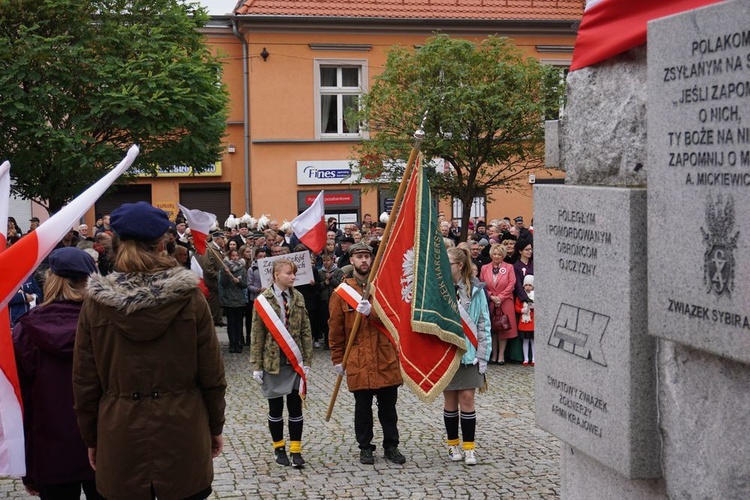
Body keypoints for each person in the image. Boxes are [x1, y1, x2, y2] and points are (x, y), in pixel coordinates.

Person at [73, 201, 226, 500]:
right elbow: (212, 373)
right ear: (162, 243)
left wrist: (91, 438)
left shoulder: (96, 303)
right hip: (182, 428)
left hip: (119, 432)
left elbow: (84, 382)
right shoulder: (190, 298)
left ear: (115, 244)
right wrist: (214, 425)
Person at [13, 247, 100, 499]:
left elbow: (20, 401)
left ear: (51, 280)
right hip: (104, 441)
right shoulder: (109, 324)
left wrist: (27, 465)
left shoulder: (25, 329)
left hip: (51, 447)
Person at [328, 242, 406, 465]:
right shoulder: (341, 293)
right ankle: (365, 447)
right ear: (351, 261)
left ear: (372, 260)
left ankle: (391, 445)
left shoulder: (383, 288)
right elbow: (335, 329)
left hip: (384, 356)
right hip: (358, 358)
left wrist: (373, 313)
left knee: (388, 408)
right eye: (359, 257)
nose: (363, 260)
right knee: (362, 409)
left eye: (367, 257)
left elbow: (395, 318)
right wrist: (336, 358)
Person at [250, 259, 313, 468]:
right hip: (273, 362)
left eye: (294, 273)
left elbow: (306, 330)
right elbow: (257, 334)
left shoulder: (298, 297)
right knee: (275, 408)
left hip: (293, 362)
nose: (293, 277)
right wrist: (256, 365)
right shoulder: (263, 300)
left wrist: (308, 360)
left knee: (296, 408)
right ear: (277, 275)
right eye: (289, 273)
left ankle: (296, 450)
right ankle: (279, 448)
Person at [444, 247, 491, 465]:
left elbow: (483, 323)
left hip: (470, 353)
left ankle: (469, 448)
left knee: (468, 399)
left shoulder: (477, 290)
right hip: (448, 353)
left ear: (459, 266)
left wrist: (483, 355)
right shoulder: (440, 289)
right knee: (451, 400)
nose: (445, 266)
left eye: (449, 263)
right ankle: (453, 445)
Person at [479, 244, 518, 365]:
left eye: (499, 254)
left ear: (503, 256)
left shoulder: (509, 267)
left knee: (503, 327)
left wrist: (500, 298)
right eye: (495, 254)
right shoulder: (485, 268)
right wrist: (491, 296)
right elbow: (481, 283)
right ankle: (493, 355)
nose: (496, 256)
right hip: (490, 301)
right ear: (491, 255)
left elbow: (512, 283)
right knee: (492, 328)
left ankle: (501, 355)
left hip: (505, 301)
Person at [219, 248, 248, 353]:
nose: (235, 258)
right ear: (229, 257)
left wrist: (239, 281)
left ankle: (239, 342)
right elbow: (223, 284)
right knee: (231, 323)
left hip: (239, 299)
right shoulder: (225, 269)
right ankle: (232, 343)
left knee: (239, 323)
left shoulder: (242, 269)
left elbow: (245, 284)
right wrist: (227, 274)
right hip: (229, 299)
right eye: (233, 256)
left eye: (236, 256)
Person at [515, 275, 535, 366]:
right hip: (524, 322)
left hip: (533, 322)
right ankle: (526, 358)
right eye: (526, 285)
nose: (528, 287)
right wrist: (522, 310)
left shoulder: (535, 296)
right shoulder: (520, 296)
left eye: (530, 285)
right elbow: (517, 307)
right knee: (525, 341)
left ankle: (534, 358)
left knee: (533, 341)